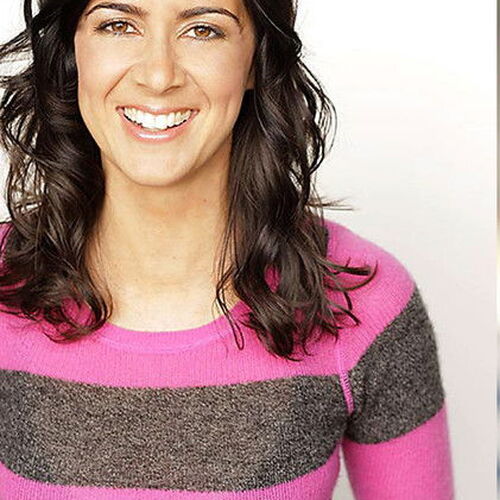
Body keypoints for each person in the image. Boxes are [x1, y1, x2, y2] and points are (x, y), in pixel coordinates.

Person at [0, 0, 454, 498]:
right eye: (118, 25)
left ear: (256, 57)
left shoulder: (366, 301)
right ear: (70, 50)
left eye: (203, 30)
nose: (158, 75)